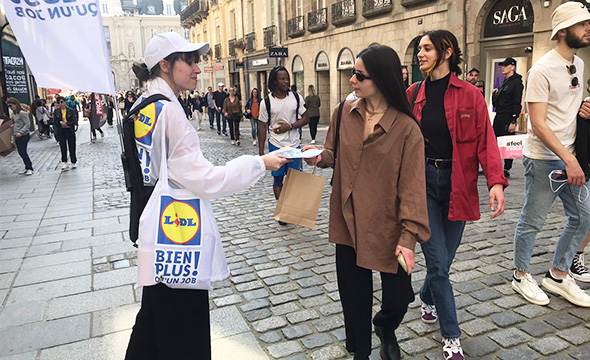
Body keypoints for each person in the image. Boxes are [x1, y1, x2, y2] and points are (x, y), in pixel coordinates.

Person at [124, 31, 287, 360]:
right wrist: (259, 162)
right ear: (166, 65)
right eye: (191, 61)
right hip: (179, 234)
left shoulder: (144, 105)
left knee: (154, 321)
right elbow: (206, 180)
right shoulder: (168, 112)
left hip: (154, 226)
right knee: (183, 329)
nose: (198, 69)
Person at [304, 45, 430, 360]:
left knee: (399, 298)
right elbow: (332, 153)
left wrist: (408, 237)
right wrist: (319, 156)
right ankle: (361, 350)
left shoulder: (407, 129)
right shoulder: (343, 113)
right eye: (352, 73)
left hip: (389, 226)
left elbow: (413, 187)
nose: (352, 81)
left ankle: (385, 327)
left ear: (382, 79)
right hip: (348, 218)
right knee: (354, 296)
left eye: (359, 75)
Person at [407, 30, 508, 360]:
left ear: (446, 51)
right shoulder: (412, 94)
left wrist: (495, 181)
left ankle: (427, 295)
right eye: (419, 49)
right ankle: (452, 338)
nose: (420, 54)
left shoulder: (470, 95)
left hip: (458, 184)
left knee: (443, 263)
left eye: (426, 48)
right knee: (438, 264)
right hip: (422, 182)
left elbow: (485, 140)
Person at [513, 2, 590, 308]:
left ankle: (558, 274)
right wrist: (567, 159)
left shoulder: (580, 64)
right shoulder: (541, 69)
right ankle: (520, 275)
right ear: (563, 30)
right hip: (545, 158)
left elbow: (566, 106)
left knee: (584, 216)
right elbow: (538, 124)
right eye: (582, 23)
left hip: (572, 156)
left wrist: (584, 106)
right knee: (533, 220)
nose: (588, 28)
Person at [258, 66, 309, 225]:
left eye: (287, 78)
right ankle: (283, 210)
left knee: (295, 180)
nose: (286, 81)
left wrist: (291, 126)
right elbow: (262, 126)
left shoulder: (296, 97)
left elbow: (306, 118)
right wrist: (261, 153)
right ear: (274, 81)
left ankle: (288, 208)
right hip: (276, 145)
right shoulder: (266, 102)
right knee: (278, 179)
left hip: (294, 146)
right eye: (282, 78)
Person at [491, 57, 524, 178]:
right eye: (502, 66)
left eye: (505, 65)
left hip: (507, 116)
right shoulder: (505, 81)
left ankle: (506, 168)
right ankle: (495, 165)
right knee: (495, 141)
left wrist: (513, 121)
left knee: (507, 143)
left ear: (512, 67)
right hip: (499, 116)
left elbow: (517, 102)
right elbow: (497, 103)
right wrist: (494, 95)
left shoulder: (516, 83)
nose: (503, 68)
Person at [7, 98, 34, 175]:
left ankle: (29, 168)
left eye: (11, 106)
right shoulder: (16, 114)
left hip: (23, 135)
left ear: (15, 104)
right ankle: (27, 167)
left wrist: (21, 132)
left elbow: (27, 124)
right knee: (21, 152)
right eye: (9, 106)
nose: (10, 108)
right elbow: (19, 123)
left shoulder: (22, 113)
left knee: (23, 152)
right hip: (17, 135)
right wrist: (13, 126)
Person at [53, 96, 78, 170]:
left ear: (65, 102)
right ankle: (64, 162)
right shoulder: (56, 111)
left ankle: (73, 161)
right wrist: (60, 122)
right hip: (61, 131)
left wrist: (67, 123)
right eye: (59, 103)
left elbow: (74, 121)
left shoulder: (71, 110)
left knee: (72, 146)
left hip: (69, 130)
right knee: (63, 146)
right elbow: (55, 121)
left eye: (62, 102)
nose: (61, 104)